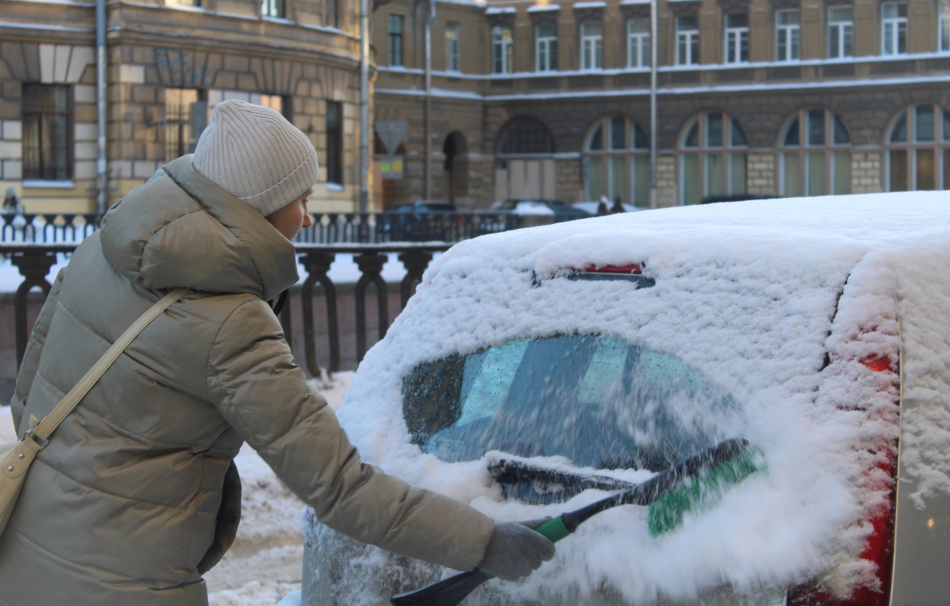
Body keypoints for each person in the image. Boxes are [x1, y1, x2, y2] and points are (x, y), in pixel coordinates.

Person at [0, 100, 554, 605]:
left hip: (27, 547)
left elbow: (29, 399)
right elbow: (339, 486)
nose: (308, 217)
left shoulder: (104, 248)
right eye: (302, 198)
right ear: (260, 205)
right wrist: (481, 541)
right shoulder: (230, 321)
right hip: (126, 584)